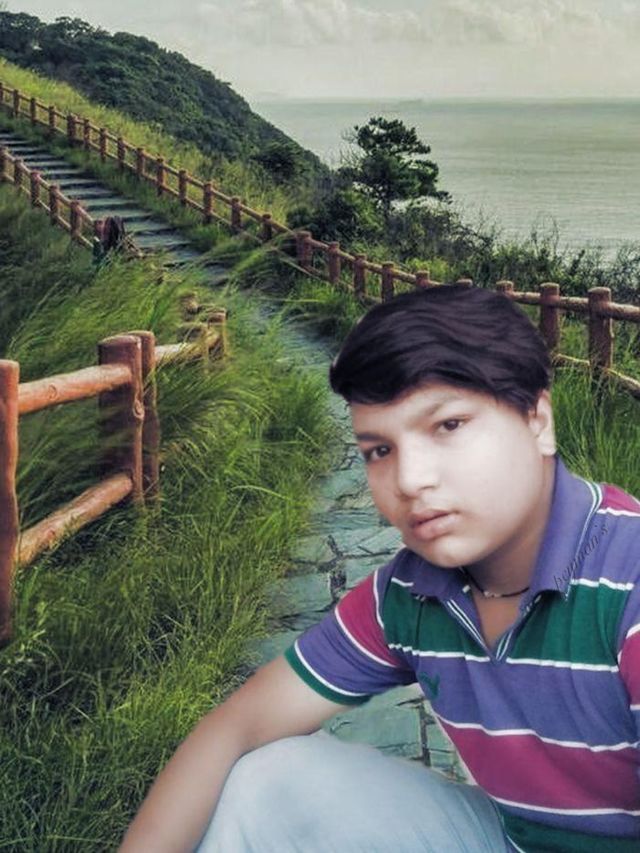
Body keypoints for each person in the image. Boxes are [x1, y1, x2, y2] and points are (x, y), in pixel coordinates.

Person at [120, 284, 640, 852]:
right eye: (379, 450)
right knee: (265, 778)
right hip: (511, 840)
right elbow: (235, 727)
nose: (410, 480)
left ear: (538, 420)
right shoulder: (409, 593)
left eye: (448, 426)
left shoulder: (627, 579)